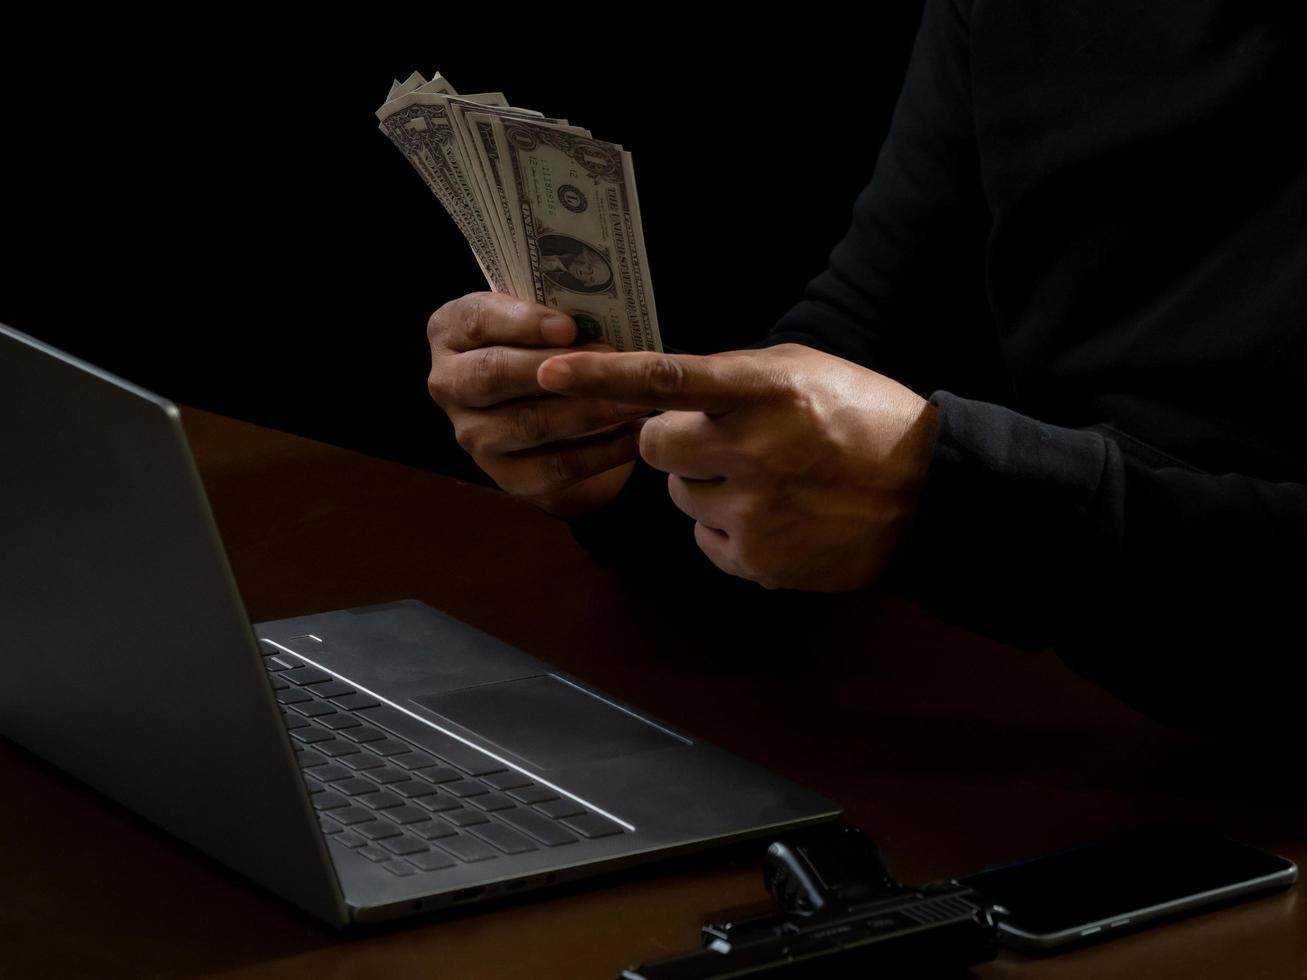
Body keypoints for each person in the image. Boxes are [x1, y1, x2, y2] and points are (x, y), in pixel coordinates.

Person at [423, 0, 1306, 740]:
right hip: (1061, 738)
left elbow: (927, 489)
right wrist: (628, 448)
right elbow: (862, 338)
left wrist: (947, 497)